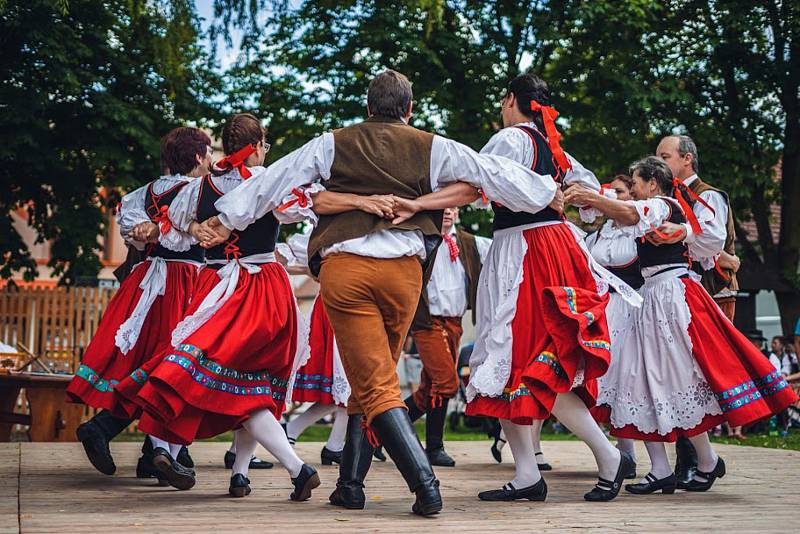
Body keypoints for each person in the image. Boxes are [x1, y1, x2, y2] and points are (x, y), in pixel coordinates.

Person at [200, 69, 555, 515]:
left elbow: (275, 180)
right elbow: (489, 171)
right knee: (373, 376)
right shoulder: (434, 145)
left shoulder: (332, 142)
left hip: (348, 272)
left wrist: (225, 219)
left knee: (376, 382)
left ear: (368, 107)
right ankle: (350, 484)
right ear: (409, 110)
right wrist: (543, 189)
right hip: (405, 276)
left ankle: (425, 486)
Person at [396, 73, 639, 503]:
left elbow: (473, 185)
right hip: (543, 245)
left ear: (512, 100)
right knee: (508, 365)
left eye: (502, 99)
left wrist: (418, 202)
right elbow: (587, 191)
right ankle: (528, 473)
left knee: (532, 362)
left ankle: (607, 455)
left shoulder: (511, 140)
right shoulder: (553, 148)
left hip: (528, 252)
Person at [564, 156, 798, 494]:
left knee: (678, 377)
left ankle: (703, 459)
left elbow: (634, 214)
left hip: (672, 295)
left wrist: (594, 198)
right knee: (651, 381)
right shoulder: (643, 214)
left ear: (652, 184)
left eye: (637, 182)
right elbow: (616, 217)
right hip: (650, 297)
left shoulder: (663, 205)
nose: (633, 187)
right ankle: (674, 466)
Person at [115, 113, 319, 498]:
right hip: (261, 286)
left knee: (210, 372)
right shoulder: (266, 181)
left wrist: (193, 229)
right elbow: (305, 207)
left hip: (213, 285)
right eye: (265, 146)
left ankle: (171, 449)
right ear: (257, 146)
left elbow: (170, 225)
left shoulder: (197, 188)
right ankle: (252, 472)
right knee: (250, 383)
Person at [67, 127, 211, 479]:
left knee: (149, 360)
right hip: (180, 281)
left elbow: (135, 225)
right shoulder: (195, 191)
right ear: (196, 157)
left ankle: (152, 452)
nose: (212, 159)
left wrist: (151, 229)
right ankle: (108, 429)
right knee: (171, 363)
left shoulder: (147, 191)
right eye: (208, 153)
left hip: (146, 280)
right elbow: (178, 232)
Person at [403, 206, 491, 467]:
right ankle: (434, 447)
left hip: (455, 322)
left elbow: (504, 252)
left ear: (458, 212)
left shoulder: (470, 243)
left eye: (452, 208)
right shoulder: (419, 239)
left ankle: (379, 431)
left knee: (428, 390)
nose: (447, 212)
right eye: (441, 208)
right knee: (446, 383)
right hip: (426, 321)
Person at [585, 174, 645, 479]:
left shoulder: (639, 232)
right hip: (602, 312)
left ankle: (628, 454)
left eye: (620, 192)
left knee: (626, 379)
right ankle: (615, 455)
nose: (613, 196)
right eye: (610, 192)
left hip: (632, 310)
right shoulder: (597, 236)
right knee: (600, 378)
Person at [276, 231, 351, 465]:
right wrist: (314, 270)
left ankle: (319, 440)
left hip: (351, 302)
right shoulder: (330, 230)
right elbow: (284, 254)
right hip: (337, 304)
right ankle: (332, 445)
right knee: (349, 385)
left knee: (343, 388)